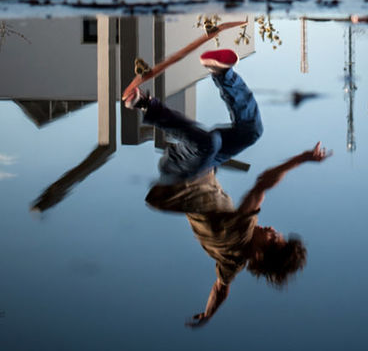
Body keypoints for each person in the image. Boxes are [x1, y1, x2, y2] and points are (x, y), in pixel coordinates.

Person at [126, 48, 332, 325]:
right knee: (251, 132)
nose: (272, 229)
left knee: (208, 144)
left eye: (274, 238)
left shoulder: (242, 236)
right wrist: (209, 313)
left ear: (259, 254)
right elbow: (221, 289)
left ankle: (146, 105)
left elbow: (262, 184)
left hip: (178, 177)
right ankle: (222, 73)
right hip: (205, 169)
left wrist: (302, 158)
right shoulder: (231, 266)